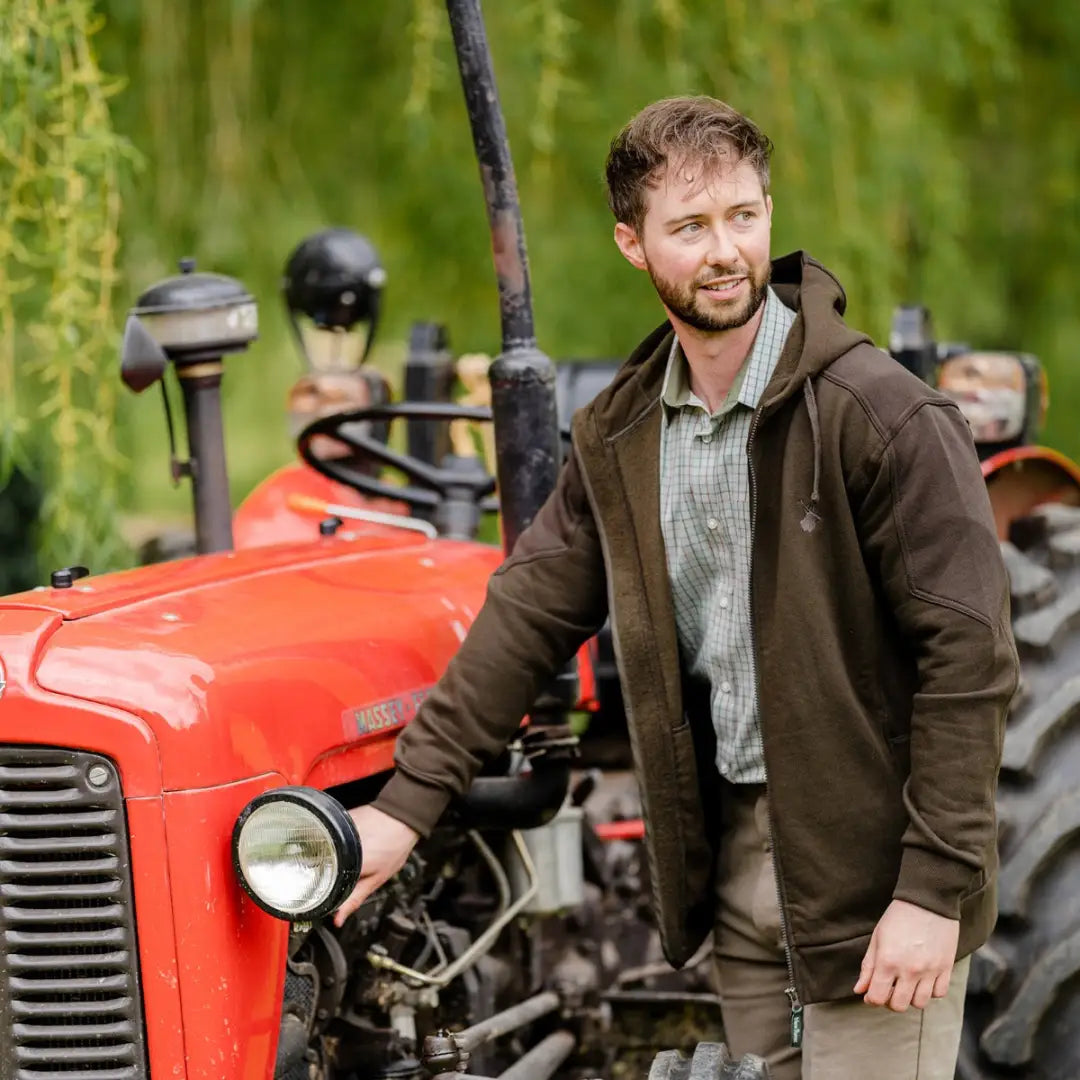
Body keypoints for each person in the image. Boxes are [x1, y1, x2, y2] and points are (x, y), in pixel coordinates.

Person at [334, 96, 1018, 1079]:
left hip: (875, 865)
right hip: (739, 858)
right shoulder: (621, 435)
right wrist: (402, 811)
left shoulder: (883, 418)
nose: (726, 250)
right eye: (690, 228)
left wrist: (931, 889)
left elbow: (971, 661)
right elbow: (526, 616)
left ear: (771, 215)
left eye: (744, 216)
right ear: (633, 244)